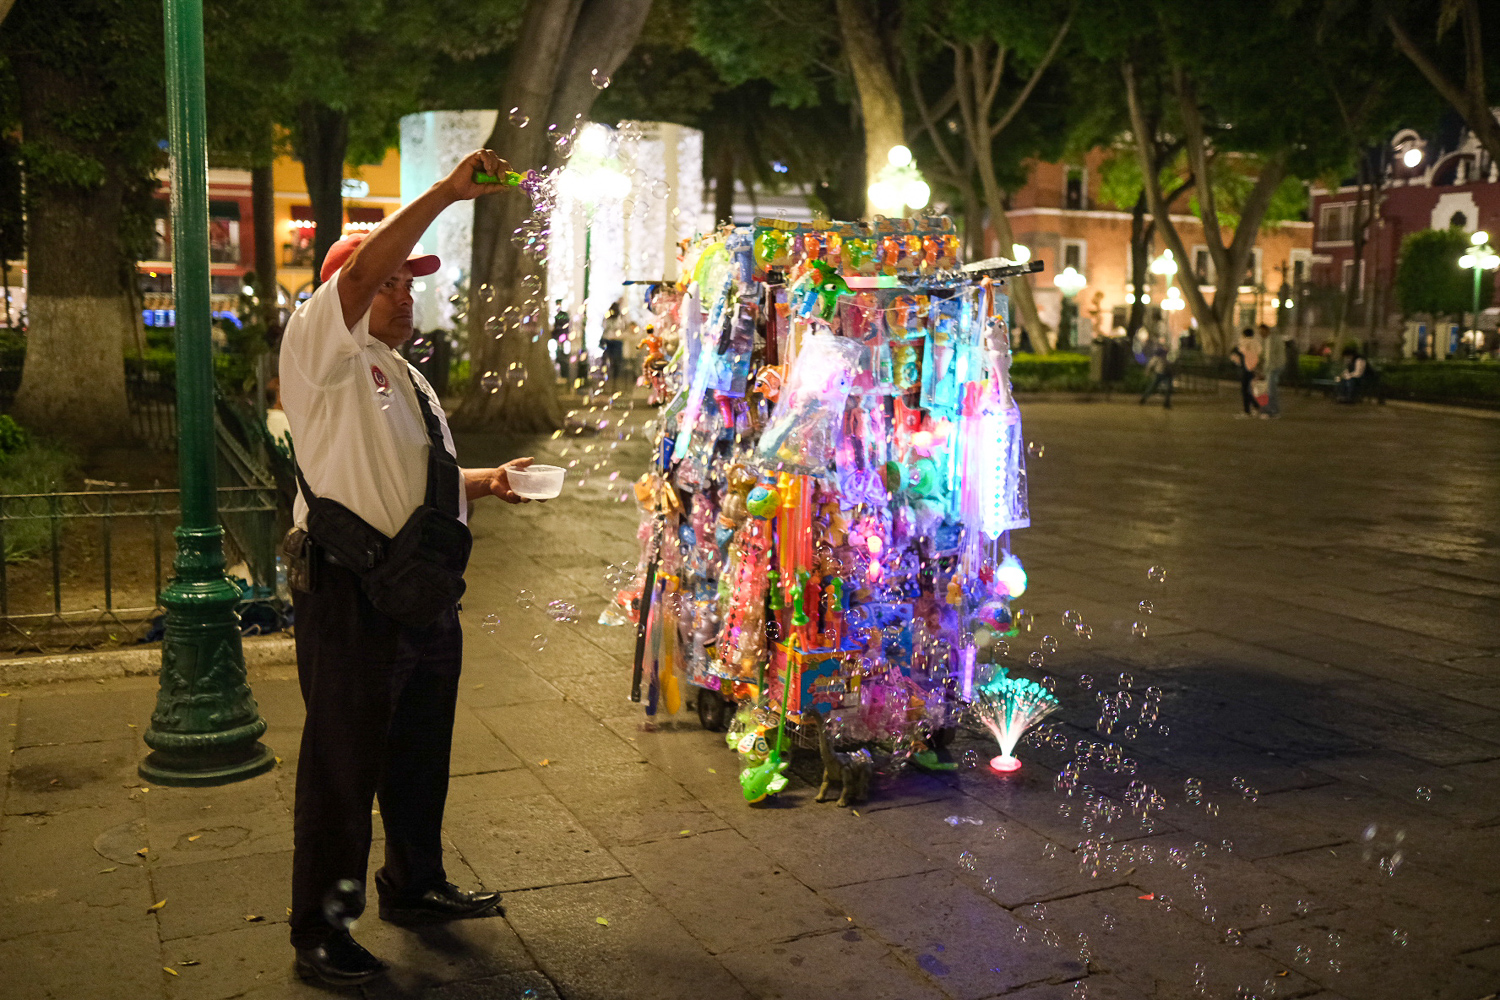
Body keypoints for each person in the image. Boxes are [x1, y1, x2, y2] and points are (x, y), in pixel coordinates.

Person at [278, 148, 537, 987]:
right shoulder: (323, 349)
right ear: (346, 292)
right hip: (352, 592)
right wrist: (442, 195)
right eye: (390, 280)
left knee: (419, 753)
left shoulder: (405, 377)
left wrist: (485, 483)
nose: (404, 290)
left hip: (418, 592)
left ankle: (413, 884)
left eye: (409, 281)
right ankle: (320, 931)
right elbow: (355, 282)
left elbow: (407, 480)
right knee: (343, 765)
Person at [1230, 328, 1261, 417]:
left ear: (1244, 335)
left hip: (1246, 368)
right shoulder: (1256, 343)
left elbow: (1236, 354)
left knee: (1244, 390)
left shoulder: (1243, 343)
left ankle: (1248, 410)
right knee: (1249, 389)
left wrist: (1237, 361)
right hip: (1254, 369)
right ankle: (1255, 406)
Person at [1258, 323, 1282, 418]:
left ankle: (1272, 411)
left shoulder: (1270, 340)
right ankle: (1272, 410)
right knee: (1271, 390)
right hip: (1274, 367)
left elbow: (1269, 358)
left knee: (1271, 390)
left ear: (1266, 330)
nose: (1261, 334)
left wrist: (1264, 371)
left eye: (1262, 332)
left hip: (1273, 368)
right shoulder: (1270, 339)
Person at [600, 299, 627, 386]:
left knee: (611, 359)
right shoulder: (620, 317)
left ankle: (609, 376)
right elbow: (623, 327)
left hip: (610, 340)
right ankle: (613, 377)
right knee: (616, 360)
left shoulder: (608, 317)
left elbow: (603, 326)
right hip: (615, 340)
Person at [551, 300, 570, 379]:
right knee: (560, 355)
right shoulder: (559, 315)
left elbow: (562, 328)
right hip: (560, 338)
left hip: (561, 338)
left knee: (561, 356)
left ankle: (563, 374)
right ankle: (563, 374)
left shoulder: (561, 315)